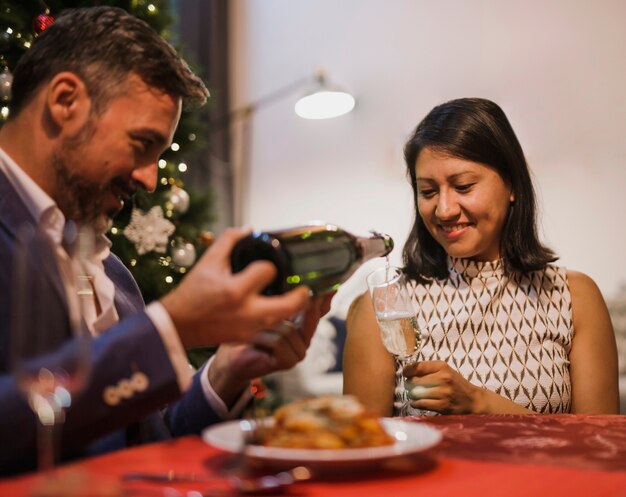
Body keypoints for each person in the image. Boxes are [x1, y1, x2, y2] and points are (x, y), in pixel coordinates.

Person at [0, 6, 332, 475]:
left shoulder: (111, 271)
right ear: (65, 101)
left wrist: (228, 369)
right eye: (141, 144)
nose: (150, 179)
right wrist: (170, 330)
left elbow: (143, 442)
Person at [343, 97, 619, 416]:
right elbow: (363, 448)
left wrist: (480, 403)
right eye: (428, 192)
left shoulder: (572, 297)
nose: (444, 210)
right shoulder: (386, 305)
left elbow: (598, 447)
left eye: (463, 186)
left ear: (512, 185)